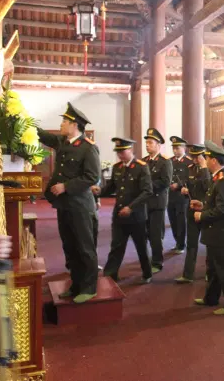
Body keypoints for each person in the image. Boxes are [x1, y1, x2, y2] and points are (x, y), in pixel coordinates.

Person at [38, 102, 100, 304]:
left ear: (75, 125)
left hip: (80, 206)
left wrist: (66, 186)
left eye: (65, 121)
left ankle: (89, 287)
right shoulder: (63, 142)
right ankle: (76, 284)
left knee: (84, 247)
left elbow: (92, 176)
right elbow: (43, 136)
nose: (61, 124)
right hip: (64, 205)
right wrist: (23, 121)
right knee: (70, 247)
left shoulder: (88, 148)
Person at [193, 141, 224, 315]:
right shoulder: (218, 177)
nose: (204, 161)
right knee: (213, 268)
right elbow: (215, 203)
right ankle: (211, 298)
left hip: (222, 233)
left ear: (213, 160)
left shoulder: (223, 180)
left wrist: (202, 215)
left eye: (206, 158)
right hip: (215, 232)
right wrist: (202, 205)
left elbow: (222, 210)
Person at [99, 138, 153, 283]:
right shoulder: (117, 167)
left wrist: (131, 207)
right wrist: (98, 191)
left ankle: (147, 273)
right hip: (119, 215)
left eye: (122, 152)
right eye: (118, 152)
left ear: (130, 150)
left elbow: (147, 191)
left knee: (141, 247)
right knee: (116, 246)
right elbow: (111, 187)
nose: (120, 155)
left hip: (136, 216)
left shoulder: (141, 167)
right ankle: (110, 275)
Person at [176, 144, 211, 283]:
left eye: (198, 157)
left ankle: (210, 272)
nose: (195, 160)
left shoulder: (209, 169)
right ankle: (188, 275)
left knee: (209, 244)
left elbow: (209, 188)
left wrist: (204, 168)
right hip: (192, 210)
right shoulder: (190, 168)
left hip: (206, 211)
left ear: (204, 156)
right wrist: (184, 191)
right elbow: (187, 185)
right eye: (193, 157)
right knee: (191, 243)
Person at [143, 128, 172, 274]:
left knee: (155, 234)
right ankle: (148, 258)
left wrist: (147, 186)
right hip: (144, 203)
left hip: (157, 202)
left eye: (150, 143)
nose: (147, 145)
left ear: (158, 145)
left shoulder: (165, 162)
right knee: (146, 233)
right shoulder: (144, 161)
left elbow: (165, 182)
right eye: (146, 143)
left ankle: (157, 262)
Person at [168, 136, 194, 254]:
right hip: (170, 195)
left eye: (177, 148)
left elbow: (190, 178)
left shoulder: (189, 162)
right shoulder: (170, 161)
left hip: (182, 196)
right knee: (172, 220)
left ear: (184, 148)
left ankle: (181, 244)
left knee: (181, 221)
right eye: (173, 148)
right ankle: (177, 241)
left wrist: (178, 185)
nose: (175, 150)